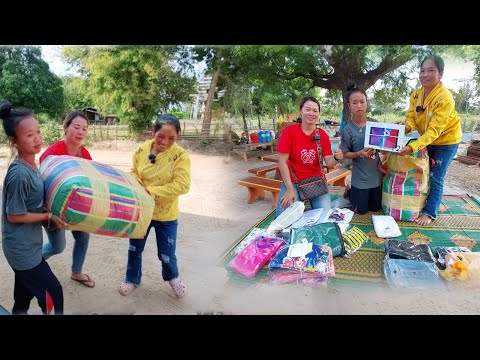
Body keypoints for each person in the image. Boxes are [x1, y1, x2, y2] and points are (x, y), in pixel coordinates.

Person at [0, 101, 66, 314]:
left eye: (38, 131)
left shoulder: (33, 163)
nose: (37, 138)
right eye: (29, 135)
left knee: (23, 296)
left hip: (29, 245)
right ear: (14, 141)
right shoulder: (19, 173)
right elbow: (14, 215)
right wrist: (47, 216)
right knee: (53, 293)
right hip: (22, 250)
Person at [119, 114, 191, 298]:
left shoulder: (180, 156)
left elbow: (183, 185)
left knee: (166, 254)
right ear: (153, 132)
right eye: (161, 136)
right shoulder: (141, 150)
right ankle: (131, 278)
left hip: (166, 215)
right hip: (142, 211)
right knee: (134, 249)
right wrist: (137, 185)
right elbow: (134, 172)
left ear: (177, 137)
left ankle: (173, 277)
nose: (165, 142)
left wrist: (151, 191)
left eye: (171, 138)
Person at [397, 55, 462, 226]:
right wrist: (407, 127)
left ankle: (430, 212)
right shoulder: (416, 94)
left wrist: (412, 147)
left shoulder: (445, 98)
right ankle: (420, 202)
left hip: (447, 141)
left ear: (440, 74)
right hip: (427, 139)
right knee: (423, 172)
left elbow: (434, 130)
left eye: (431, 70)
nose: (425, 74)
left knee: (436, 176)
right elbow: (411, 116)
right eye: (422, 70)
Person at [39, 110, 96, 288]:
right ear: (65, 127)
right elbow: (44, 187)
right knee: (57, 247)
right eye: (76, 127)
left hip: (75, 208)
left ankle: (76, 272)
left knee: (83, 237)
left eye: (84, 129)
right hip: (52, 209)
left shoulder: (85, 155)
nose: (80, 132)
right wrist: (49, 214)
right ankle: (30, 266)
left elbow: (88, 183)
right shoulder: (51, 154)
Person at [275, 96, 338, 216]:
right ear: (301, 111)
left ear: (319, 113)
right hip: (294, 182)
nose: (311, 113)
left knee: (324, 217)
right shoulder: (289, 132)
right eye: (307, 109)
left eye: (315, 110)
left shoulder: (322, 135)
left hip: (316, 182)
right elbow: (282, 161)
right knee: (283, 218)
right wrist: (289, 189)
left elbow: (329, 162)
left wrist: (336, 157)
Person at [339, 83, 384, 214]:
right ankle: (351, 191)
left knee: (376, 208)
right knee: (361, 211)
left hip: (376, 178)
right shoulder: (347, 129)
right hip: (360, 180)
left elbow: (384, 149)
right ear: (349, 106)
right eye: (354, 103)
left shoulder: (375, 124)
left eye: (362, 102)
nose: (359, 106)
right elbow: (345, 153)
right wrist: (359, 153)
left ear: (366, 103)